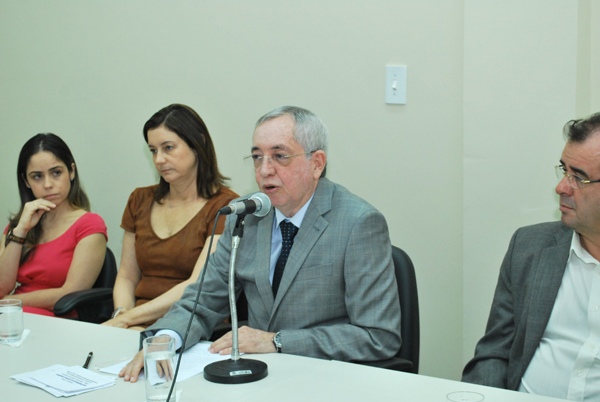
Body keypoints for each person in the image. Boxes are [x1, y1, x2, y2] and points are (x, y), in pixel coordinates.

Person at [119, 105, 401, 382]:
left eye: (280, 156)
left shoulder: (358, 223)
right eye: (257, 157)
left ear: (317, 163)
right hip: (258, 375)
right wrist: (166, 338)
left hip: (325, 378)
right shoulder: (246, 215)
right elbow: (204, 298)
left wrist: (277, 341)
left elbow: (378, 336)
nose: (264, 170)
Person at [463, 111, 600, 401]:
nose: (561, 187)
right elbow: (494, 353)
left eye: (578, 177)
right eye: (564, 171)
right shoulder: (529, 247)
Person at [101, 104, 238, 330]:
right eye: (153, 150)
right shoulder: (139, 199)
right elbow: (126, 277)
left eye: (168, 148)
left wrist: (127, 320)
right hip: (135, 321)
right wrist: (121, 314)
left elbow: (196, 284)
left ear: (198, 143)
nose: (159, 159)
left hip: (189, 323)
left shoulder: (226, 206)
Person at [0, 133, 107, 317]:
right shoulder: (18, 226)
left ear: (71, 171)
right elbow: (2, 288)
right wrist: (20, 232)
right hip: (12, 315)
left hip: (57, 319)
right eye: (37, 176)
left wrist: (10, 302)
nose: (48, 184)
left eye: (56, 173)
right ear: (26, 181)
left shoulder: (89, 224)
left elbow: (70, 293)